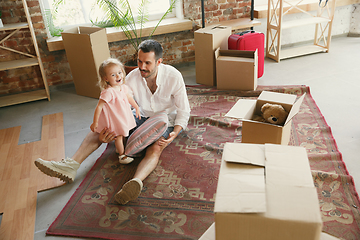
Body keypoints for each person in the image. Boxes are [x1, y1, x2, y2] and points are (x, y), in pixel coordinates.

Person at [34, 39, 191, 205]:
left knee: (156, 146)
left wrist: (176, 132)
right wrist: (109, 127)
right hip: (141, 116)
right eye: (139, 61)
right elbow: (117, 105)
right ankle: (70, 165)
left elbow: (184, 110)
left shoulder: (174, 77)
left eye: (147, 63)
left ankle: (135, 182)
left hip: (165, 121)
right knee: (103, 129)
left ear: (159, 62)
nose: (142, 66)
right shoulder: (131, 78)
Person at [91, 58, 140, 164]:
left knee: (123, 133)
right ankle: (122, 156)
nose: (118, 76)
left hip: (123, 115)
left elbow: (129, 97)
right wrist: (95, 122)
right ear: (106, 78)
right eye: (113, 75)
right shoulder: (109, 92)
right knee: (119, 135)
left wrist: (136, 107)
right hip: (116, 118)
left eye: (119, 72)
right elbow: (99, 106)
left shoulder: (123, 87)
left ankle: (119, 149)